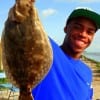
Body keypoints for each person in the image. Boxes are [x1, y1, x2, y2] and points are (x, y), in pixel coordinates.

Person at [32, 7, 100, 100]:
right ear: (66, 28)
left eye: (89, 32)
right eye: (77, 27)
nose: (83, 34)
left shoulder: (87, 72)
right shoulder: (46, 50)